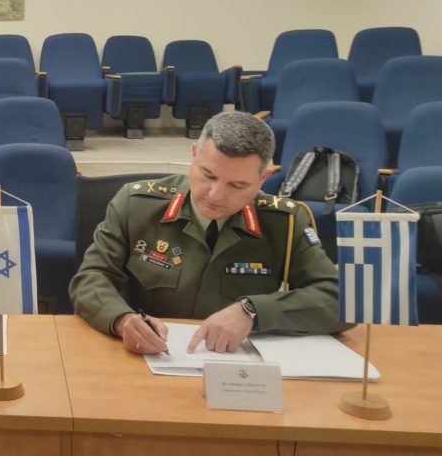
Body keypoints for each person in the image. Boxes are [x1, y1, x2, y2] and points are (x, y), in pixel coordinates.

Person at [70, 111, 347, 355]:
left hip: (239, 370)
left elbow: (341, 301)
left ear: (263, 178)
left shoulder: (284, 222)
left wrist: (253, 311)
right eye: (208, 175)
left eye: (237, 185)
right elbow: (91, 278)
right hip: (145, 358)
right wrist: (122, 320)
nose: (216, 195)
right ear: (194, 154)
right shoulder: (137, 205)